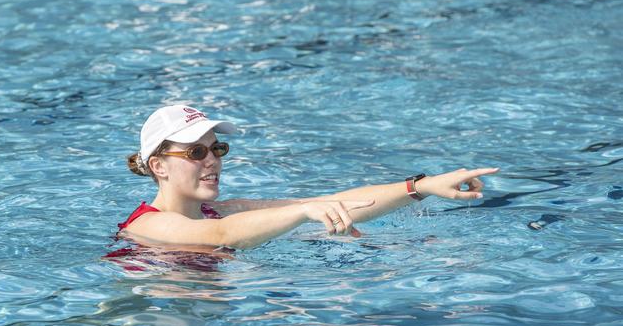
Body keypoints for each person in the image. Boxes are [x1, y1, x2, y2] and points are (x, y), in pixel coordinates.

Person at [119, 104, 499, 250]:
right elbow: (221, 237)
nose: (212, 161)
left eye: (217, 149)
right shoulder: (150, 226)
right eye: (196, 152)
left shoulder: (220, 210)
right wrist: (304, 212)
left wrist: (421, 186)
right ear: (159, 166)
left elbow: (339, 203)